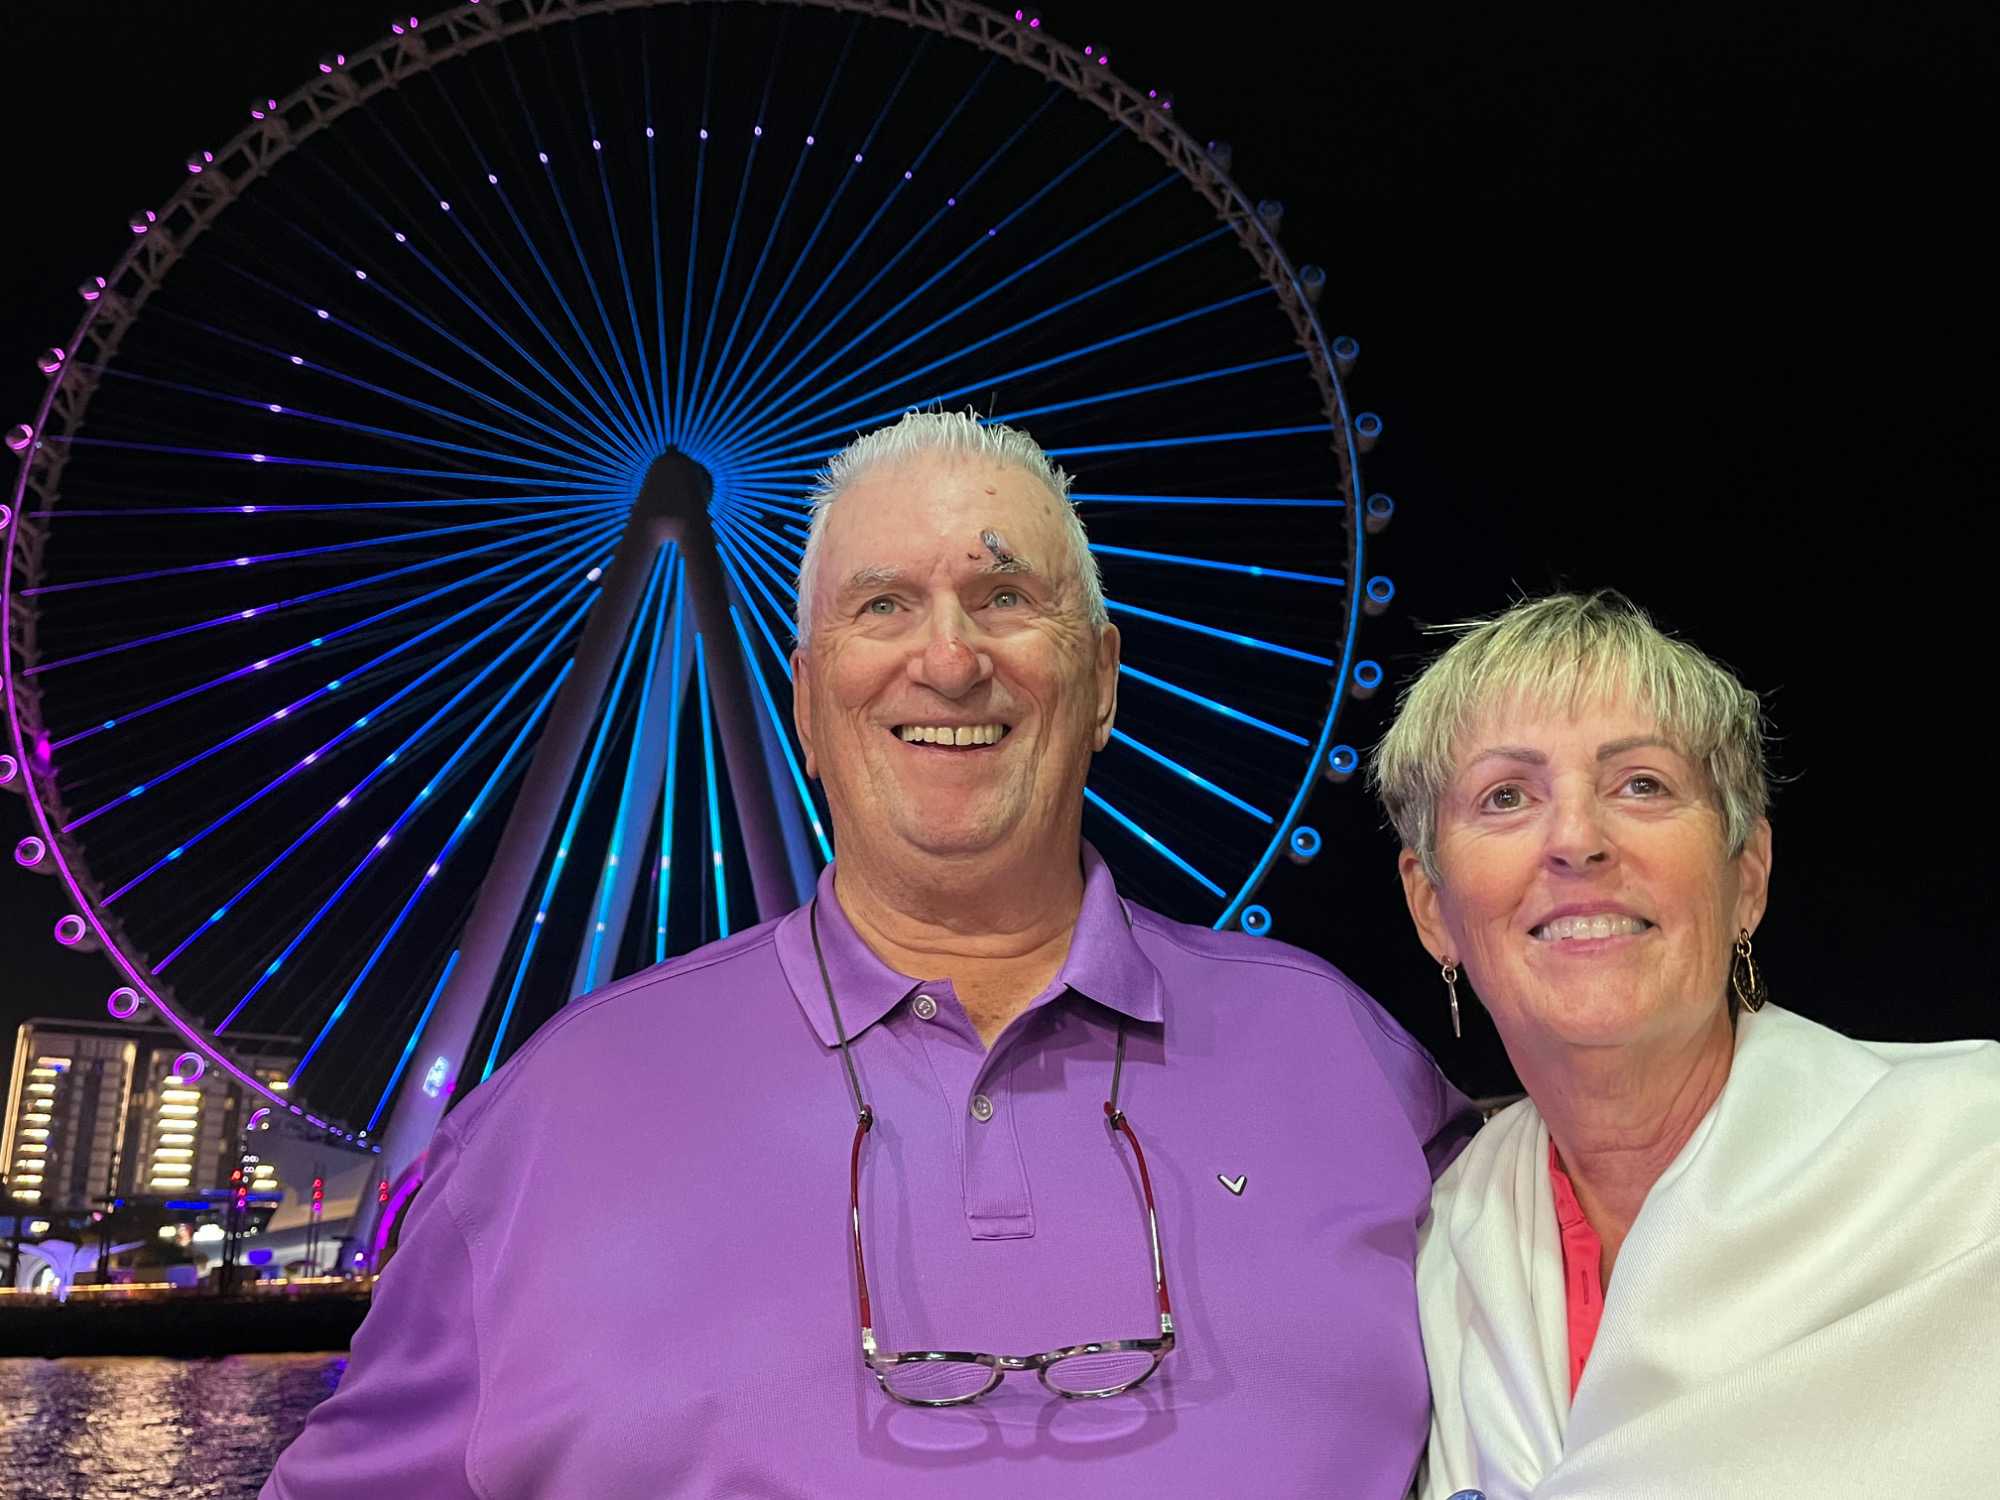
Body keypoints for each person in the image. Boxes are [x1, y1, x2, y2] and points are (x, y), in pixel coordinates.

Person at [262, 409, 1472, 1499]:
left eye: (1004, 598)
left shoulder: (1353, 1071)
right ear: (803, 697)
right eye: (882, 604)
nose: (947, 660)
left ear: (1102, 680)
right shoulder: (546, 1122)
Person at [1372, 591, 2000, 1498]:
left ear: (1747, 875)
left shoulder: (1973, 1151)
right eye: (1507, 796)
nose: (1577, 840)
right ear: (1432, 908)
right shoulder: (1436, 1254)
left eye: (1642, 785)